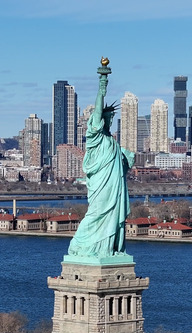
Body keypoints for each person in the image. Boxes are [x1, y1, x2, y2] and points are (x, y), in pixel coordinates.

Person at [67, 68, 135, 259]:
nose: (110, 120)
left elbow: (120, 165)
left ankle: (108, 249)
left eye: (113, 118)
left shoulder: (111, 140)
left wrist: (127, 160)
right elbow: (97, 112)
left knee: (112, 213)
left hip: (114, 183)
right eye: (108, 117)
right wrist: (101, 87)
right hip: (101, 184)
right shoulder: (95, 135)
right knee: (97, 212)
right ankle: (80, 245)